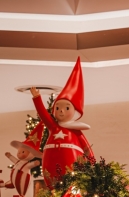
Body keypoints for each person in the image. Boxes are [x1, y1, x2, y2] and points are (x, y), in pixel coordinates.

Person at [30, 57, 94, 186]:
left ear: (75, 111)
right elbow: (43, 114)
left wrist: (94, 165)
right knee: (52, 185)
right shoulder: (53, 126)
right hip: (50, 159)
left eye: (66, 108)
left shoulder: (77, 131)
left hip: (71, 160)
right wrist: (37, 98)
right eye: (58, 108)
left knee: (70, 184)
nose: (61, 111)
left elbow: (87, 149)